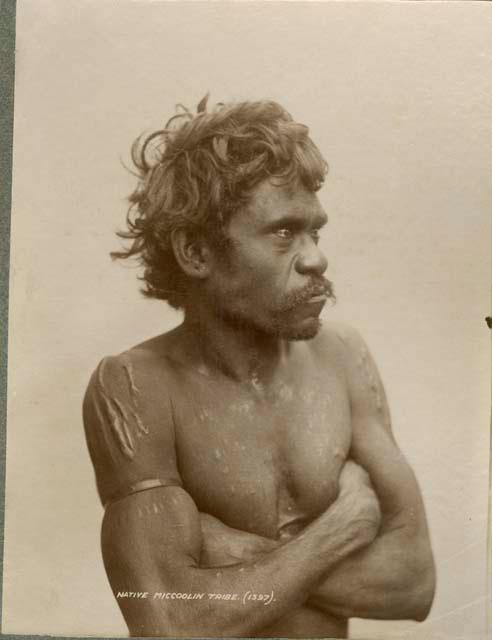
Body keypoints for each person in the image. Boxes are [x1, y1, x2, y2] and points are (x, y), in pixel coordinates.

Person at [83, 97, 436, 638]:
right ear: (196, 252)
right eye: (283, 232)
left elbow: (412, 582)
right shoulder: (135, 385)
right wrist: (342, 528)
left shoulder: (342, 357)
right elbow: (170, 620)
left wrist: (232, 554)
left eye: (315, 231)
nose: (316, 258)